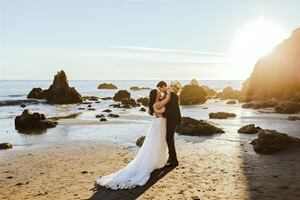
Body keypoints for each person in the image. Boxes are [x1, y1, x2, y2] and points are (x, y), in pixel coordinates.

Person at [95, 88, 171, 190]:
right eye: (158, 92)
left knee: (160, 143)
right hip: (158, 125)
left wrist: (163, 94)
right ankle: (154, 162)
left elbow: (164, 100)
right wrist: (170, 91)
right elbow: (167, 99)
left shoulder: (157, 102)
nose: (159, 92)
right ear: (155, 95)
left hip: (160, 125)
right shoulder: (156, 105)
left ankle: (159, 161)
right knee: (156, 143)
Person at [156, 81, 181, 167]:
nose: (160, 90)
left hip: (173, 119)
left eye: (160, 88)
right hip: (171, 119)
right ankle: (171, 157)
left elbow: (172, 109)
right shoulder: (168, 95)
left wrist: (163, 114)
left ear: (164, 86)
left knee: (169, 139)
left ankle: (174, 161)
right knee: (170, 138)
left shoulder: (172, 95)